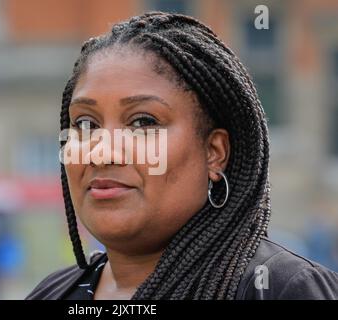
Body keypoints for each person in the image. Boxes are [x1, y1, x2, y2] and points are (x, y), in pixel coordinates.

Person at [26, 11, 338, 300]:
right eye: (85, 123)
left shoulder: (280, 288)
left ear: (214, 153)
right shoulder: (54, 293)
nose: (101, 151)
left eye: (143, 122)